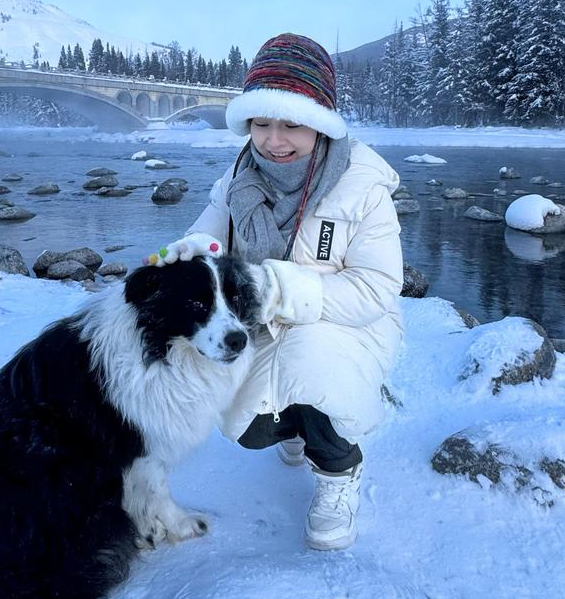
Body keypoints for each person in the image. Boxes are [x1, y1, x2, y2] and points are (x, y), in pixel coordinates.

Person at [150, 33, 403, 550]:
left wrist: (281, 287)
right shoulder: (240, 177)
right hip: (262, 322)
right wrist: (191, 250)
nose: (274, 140)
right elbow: (211, 234)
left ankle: (338, 470)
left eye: (292, 123)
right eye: (262, 123)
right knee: (248, 427)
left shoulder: (363, 186)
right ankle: (293, 428)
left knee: (315, 367)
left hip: (345, 325)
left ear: (321, 123)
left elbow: (375, 289)